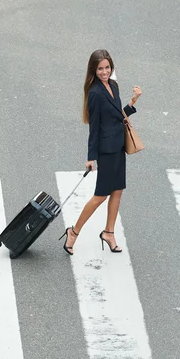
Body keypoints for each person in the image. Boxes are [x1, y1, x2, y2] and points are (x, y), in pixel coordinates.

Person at [59, 49, 142, 255]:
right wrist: (91, 157)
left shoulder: (113, 85)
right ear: (94, 71)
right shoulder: (95, 93)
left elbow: (116, 115)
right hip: (106, 150)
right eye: (100, 69)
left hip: (119, 146)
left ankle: (109, 233)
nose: (104, 72)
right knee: (100, 196)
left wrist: (132, 102)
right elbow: (94, 126)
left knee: (118, 191)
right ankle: (73, 232)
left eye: (107, 67)